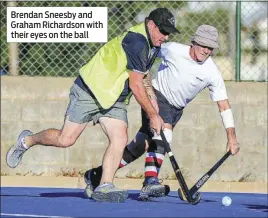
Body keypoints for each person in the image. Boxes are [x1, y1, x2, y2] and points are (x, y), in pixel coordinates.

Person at [6, 8, 180, 203]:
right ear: (151, 25)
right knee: (66, 139)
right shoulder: (137, 41)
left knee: (120, 138)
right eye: (163, 31)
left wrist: (153, 103)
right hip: (90, 89)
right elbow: (135, 83)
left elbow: (144, 74)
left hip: (114, 98)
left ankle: (105, 185)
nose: (165, 37)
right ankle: (27, 140)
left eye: (168, 33)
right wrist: (153, 114)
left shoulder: (152, 44)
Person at [83, 24, 240, 200]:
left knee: (139, 145)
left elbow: (224, 105)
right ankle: (150, 181)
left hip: (176, 110)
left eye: (210, 48)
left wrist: (231, 138)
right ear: (194, 42)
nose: (206, 50)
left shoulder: (212, 72)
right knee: (165, 133)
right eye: (203, 45)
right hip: (157, 98)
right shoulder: (173, 50)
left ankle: (96, 175)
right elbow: (147, 52)